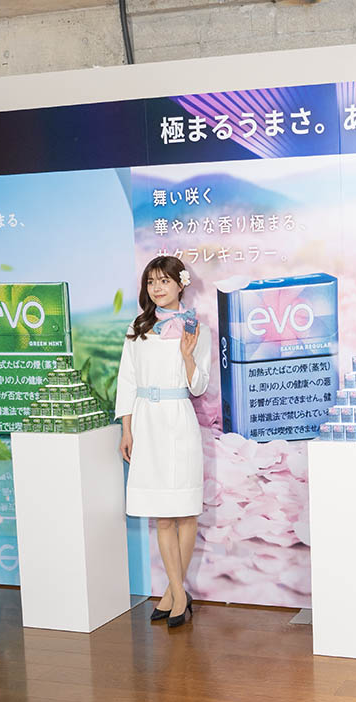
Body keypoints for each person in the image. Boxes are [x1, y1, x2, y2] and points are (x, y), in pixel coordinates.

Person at [115, 255, 210, 629]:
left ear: (180, 284)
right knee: (162, 515)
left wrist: (187, 356)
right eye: (151, 281)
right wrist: (127, 429)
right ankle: (177, 593)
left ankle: (174, 594)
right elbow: (127, 379)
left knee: (184, 510)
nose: (157, 288)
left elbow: (199, 385)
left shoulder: (195, 327)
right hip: (146, 422)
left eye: (165, 281)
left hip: (178, 421)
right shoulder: (137, 327)